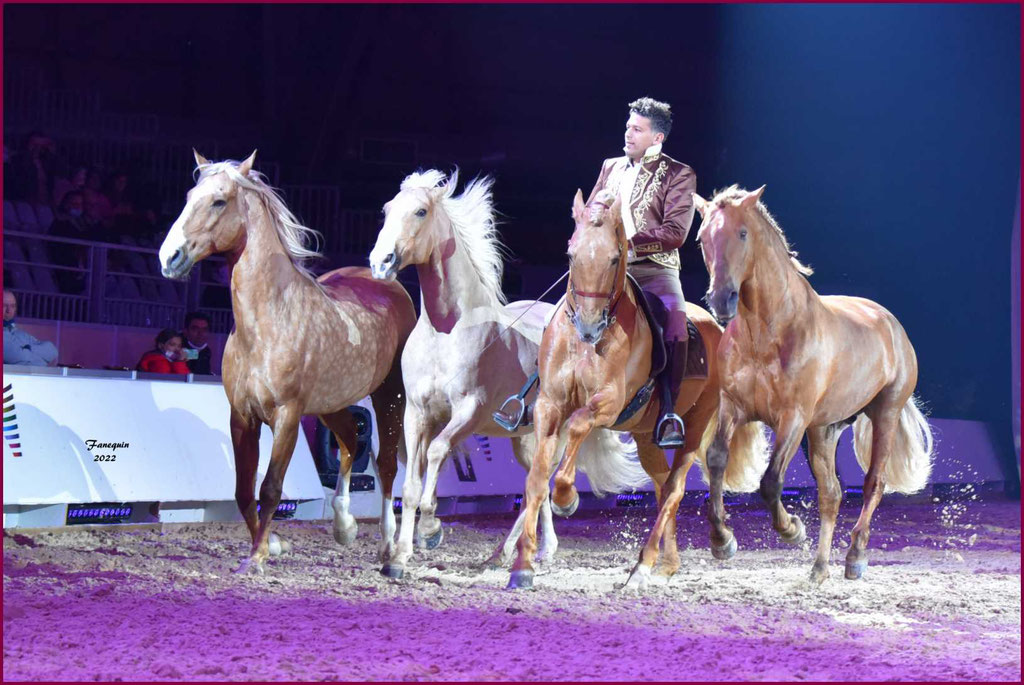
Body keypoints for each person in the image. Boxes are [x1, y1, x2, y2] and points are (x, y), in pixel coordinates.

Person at [585, 96, 698, 448]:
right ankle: (534, 389)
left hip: (654, 271)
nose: (628, 133)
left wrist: (630, 244)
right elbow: (590, 212)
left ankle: (667, 411)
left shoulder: (679, 174)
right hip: (608, 268)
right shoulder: (610, 167)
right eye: (628, 126)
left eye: (638, 129)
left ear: (657, 138)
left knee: (677, 327)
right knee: (563, 314)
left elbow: (675, 233)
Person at [3, 289, 58, 366]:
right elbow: (22, 359)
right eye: (4, 305)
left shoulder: (21, 334)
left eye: (12, 306)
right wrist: (42, 360)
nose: (9, 310)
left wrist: (28, 348)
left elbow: (52, 351)